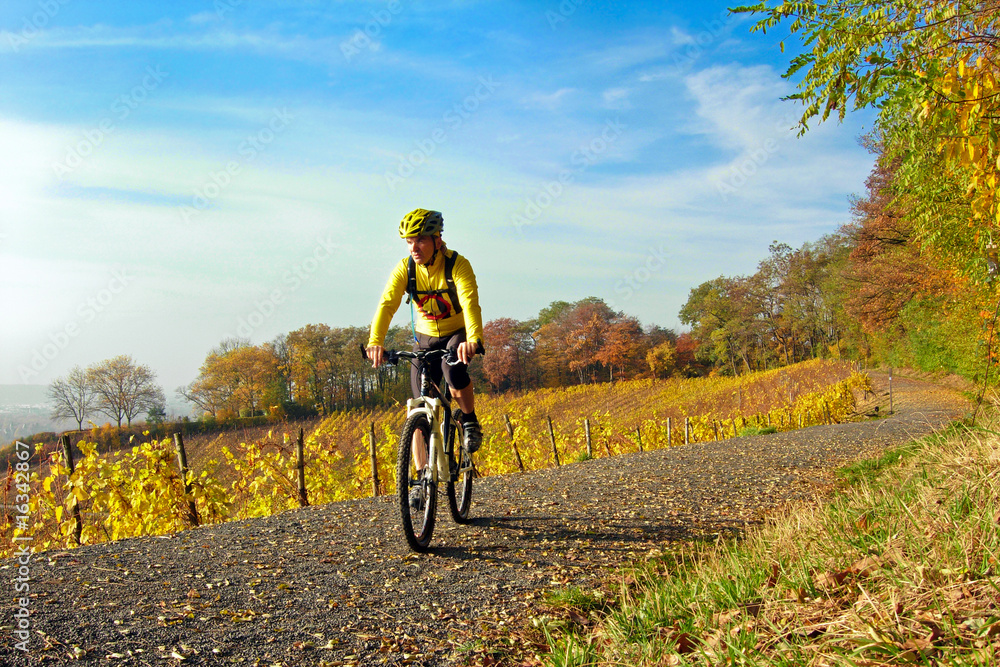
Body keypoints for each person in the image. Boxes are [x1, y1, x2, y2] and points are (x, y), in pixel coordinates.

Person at [365, 209, 484, 506]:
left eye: (419, 241)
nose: (413, 248)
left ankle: (469, 421)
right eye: (409, 242)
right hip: (425, 338)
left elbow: (469, 302)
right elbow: (387, 304)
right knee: (418, 410)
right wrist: (375, 342)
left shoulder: (458, 265)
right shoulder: (405, 269)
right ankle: (420, 478)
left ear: (437, 239)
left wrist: (473, 339)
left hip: (456, 333)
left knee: (454, 375)